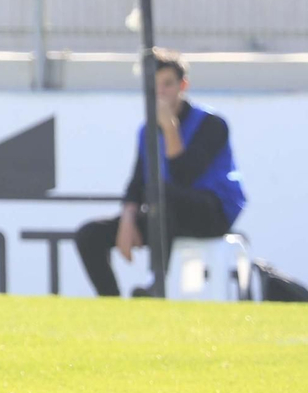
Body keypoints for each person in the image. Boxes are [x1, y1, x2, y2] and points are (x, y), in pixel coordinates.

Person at [71, 50, 246, 297]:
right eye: (155, 86)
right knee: (89, 235)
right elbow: (137, 182)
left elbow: (184, 175)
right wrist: (128, 220)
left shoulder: (212, 124)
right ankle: (112, 304)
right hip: (163, 213)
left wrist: (169, 127)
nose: (161, 93)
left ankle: (156, 284)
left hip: (211, 213)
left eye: (168, 84)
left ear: (183, 85)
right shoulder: (146, 131)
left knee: (162, 193)